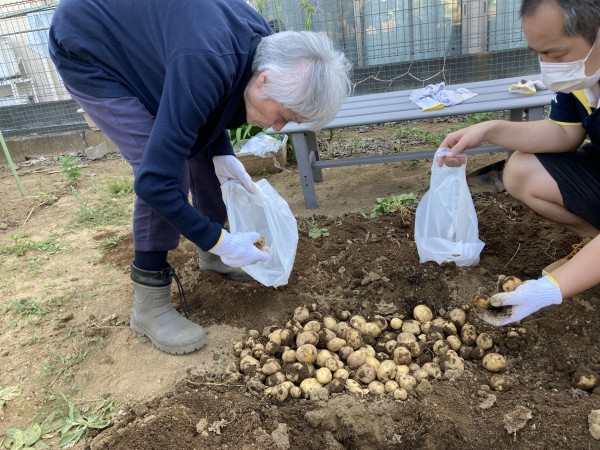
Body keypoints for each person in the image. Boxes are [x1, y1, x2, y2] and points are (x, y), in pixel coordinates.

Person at [48, 0, 351, 354]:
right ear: (265, 79)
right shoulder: (206, 58)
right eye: (283, 115)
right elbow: (154, 182)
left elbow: (210, 101)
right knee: (165, 168)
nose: (278, 127)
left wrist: (221, 151)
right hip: (90, 45)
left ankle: (213, 255)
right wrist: (220, 240)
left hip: (154, 45)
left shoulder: (264, 49)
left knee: (203, 155)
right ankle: (150, 300)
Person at [438, 0, 600, 326]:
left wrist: (550, 289)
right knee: (521, 170)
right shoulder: (584, 77)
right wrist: (490, 130)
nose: (548, 67)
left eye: (556, 55)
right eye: (538, 53)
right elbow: (564, 133)